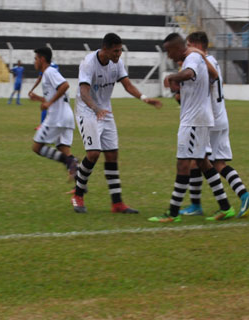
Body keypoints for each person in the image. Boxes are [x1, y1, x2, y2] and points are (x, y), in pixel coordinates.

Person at [72, 32, 162, 214]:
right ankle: (78, 194)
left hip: (105, 111)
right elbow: (84, 92)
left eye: (120, 51)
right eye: (115, 51)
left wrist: (145, 98)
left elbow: (127, 85)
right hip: (87, 111)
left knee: (112, 155)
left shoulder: (117, 63)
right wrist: (96, 109)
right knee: (94, 153)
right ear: (104, 49)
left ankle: (117, 203)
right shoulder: (89, 63)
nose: (119, 54)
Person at [150, 33, 232, 223]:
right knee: (203, 162)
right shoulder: (192, 58)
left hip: (194, 120)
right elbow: (211, 76)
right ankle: (225, 207)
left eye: (169, 51)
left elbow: (190, 74)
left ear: (179, 47)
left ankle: (172, 212)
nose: (168, 55)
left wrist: (172, 77)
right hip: (197, 117)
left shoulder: (192, 58)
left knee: (183, 163)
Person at [179, 31, 249, 220]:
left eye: (189, 45)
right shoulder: (209, 60)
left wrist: (197, 56)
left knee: (198, 160)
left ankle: (205, 204)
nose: (186, 49)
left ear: (196, 45)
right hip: (219, 117)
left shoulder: (205, 61)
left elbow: (211, 76)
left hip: (210, 120)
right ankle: (243, 195)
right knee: (212, 162)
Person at [27, 47, 79, 179]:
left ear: (42, 59)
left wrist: (49, 104)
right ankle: (79, 188)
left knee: (37, 147)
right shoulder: (48, 74)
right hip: (66, 117)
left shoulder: (49, 72)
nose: (34, 62)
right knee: (64, 149)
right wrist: (39, 99)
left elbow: (65, 85)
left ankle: (71, 162)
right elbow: (55, 95)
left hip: (57, 118)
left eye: (36, 59)